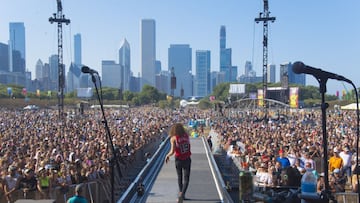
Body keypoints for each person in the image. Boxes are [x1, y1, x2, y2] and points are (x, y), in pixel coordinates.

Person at [165, 123, 192, 203]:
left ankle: (181, 194)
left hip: (178, 159)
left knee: (179, 177)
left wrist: (167, 156)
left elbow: (172, 151)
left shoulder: (173, 138)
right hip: (187, 158)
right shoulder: (186, 136)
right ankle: (182, 194)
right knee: (186, 178)